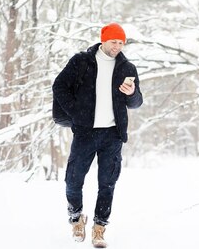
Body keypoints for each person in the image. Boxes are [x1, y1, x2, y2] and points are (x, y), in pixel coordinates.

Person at [52, 22, 143, 248]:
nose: (117, 47)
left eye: (121, 43)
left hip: (113, 135)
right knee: (73, 180)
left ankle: (99, 228)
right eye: (114, 41)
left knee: (107, 183)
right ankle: (76, 218)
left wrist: (131, 94)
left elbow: (137, 101)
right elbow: (59, 86)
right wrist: (76, 113)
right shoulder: (81, 62)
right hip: (85, 133)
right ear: (103, 39)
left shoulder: (127, 68)